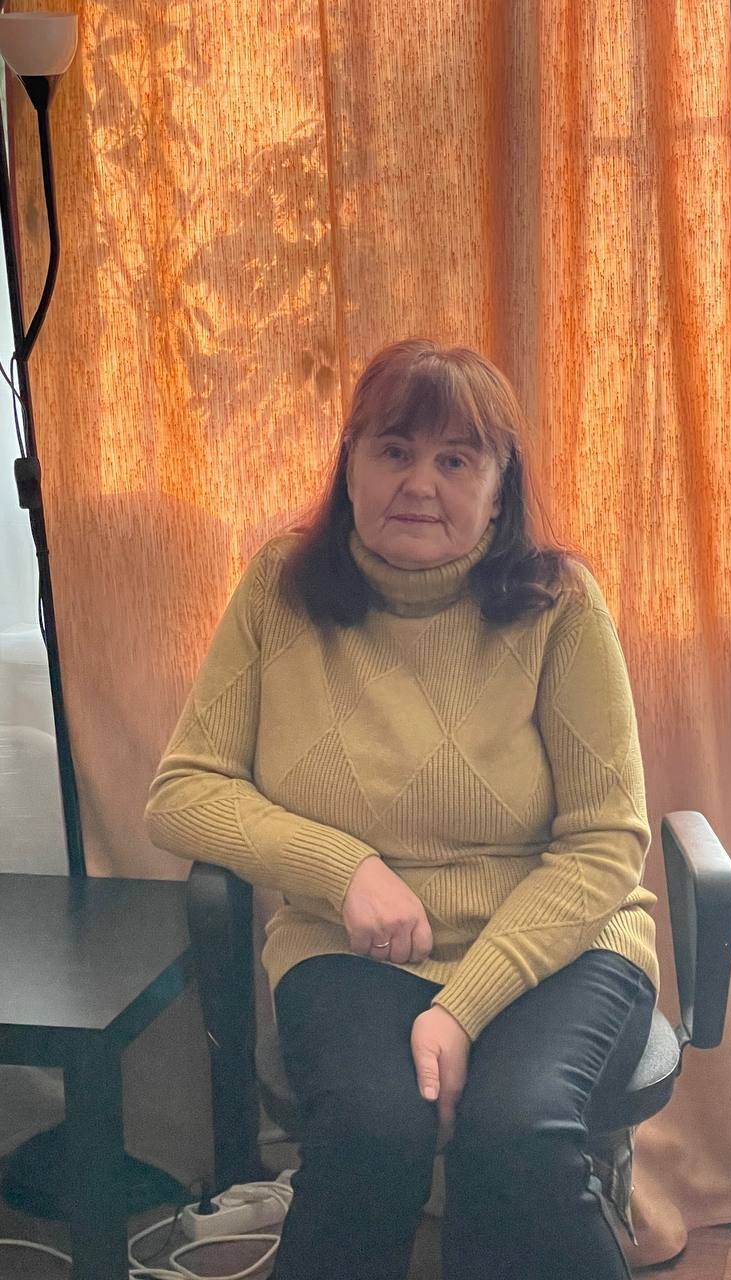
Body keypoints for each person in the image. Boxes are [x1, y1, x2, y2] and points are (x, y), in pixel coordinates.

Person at [145, 339, 659, 1280]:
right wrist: (345, 870)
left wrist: (460, 1010)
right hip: (351, 950)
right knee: (370, 1134)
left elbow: (604, 842)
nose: (420, 483)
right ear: (349, 468)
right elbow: (184, 791)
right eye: (393, 450)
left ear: (499, 491)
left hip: (561, 943)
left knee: (519, 1135)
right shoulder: (278, 588)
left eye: (456, 459)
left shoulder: (560, 604)